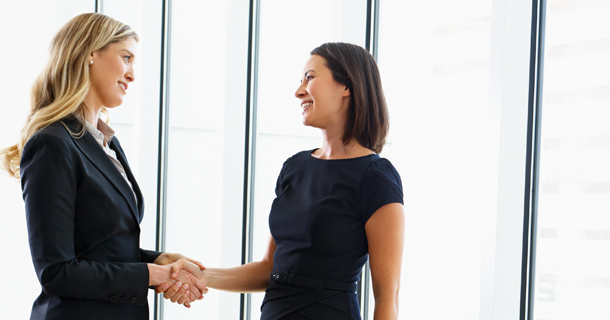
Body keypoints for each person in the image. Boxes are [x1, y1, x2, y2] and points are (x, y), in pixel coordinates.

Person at [160, 42, 405, 319]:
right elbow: (269, 269)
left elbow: (387, 297)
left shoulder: (376, 177)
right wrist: (201, 275)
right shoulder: (295, 167)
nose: (299, 91)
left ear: (346, 85)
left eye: (309, 78)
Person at [0, 13, 206, 320]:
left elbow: (100, 249)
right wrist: (152, 275)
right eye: (126, 57)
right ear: (90, 54)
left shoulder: (106, 143)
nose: (133, 74)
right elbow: (57, 271)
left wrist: (160, 261)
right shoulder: (53, 143)